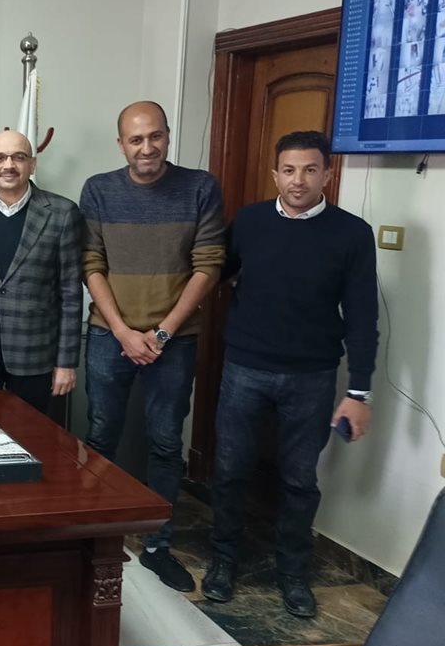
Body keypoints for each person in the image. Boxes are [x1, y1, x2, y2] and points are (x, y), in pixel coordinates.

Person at [202, 130, 378, 618]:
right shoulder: (250, 221)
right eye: (288, 170)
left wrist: (359, 392)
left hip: (311, 376)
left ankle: (293, 572)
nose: (298, 180)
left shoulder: (352, 234)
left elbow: (362, 316)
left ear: (327, 174)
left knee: (300, 480)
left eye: (309, 170)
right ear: (275, 174)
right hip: (245, 368)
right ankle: (223, 560)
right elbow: (215, 273)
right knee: (230, 470)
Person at [80, 101, 226, 592]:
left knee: (166, 443)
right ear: (121, 144)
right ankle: (94, 537)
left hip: (174, 341)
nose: (147, 147)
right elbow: (91, 264)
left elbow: (209, 265)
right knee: (101, 435)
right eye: (136, 139)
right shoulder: (98, 190)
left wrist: (162, 333)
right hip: (109, 334)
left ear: (167, 135)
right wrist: (123, 331)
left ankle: (158, 547)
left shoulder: (200, 187)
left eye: (155, 136)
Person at [0, 129, 82, 413]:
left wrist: (66, 362)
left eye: (18, 157)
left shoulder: (63, 213)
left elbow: (70, 294)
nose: (8, 165)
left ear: (32, 164)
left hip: (35, 355)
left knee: (33, 436)